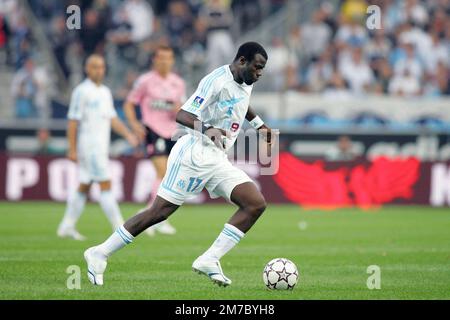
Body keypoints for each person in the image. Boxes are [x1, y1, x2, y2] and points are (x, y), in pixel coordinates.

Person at [84, 42, 273, 287]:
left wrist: (259, 125)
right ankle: (100, 253)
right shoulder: (215, 81)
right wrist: (207, 129)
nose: (259, 74)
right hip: (193, 153)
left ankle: (210, 259)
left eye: (262, 70)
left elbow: (240, 102)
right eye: (257, 68)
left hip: (217, 158)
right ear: (242, 61)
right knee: (159, 213)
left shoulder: (245, 81)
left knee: (255, 204)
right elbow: (183, 115)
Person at [57, 54, 138, 241]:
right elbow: (72, 121)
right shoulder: (81, 91)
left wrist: (128, 135)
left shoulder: (105, 92)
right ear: (87, 68)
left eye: (101, 67)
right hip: (89, 146)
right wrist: (72, 149)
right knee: (105, 183)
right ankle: (120, 228)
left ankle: (66, 226)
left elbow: (112, 119)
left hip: (101, 146)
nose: (98, 70)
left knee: (84, 185)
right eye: (94, 66)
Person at [124, 45, 186, 236]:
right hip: (153, 130)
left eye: (168, 58)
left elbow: (181, 108)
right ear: (155, 60)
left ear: (173, 60)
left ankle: (150, 215)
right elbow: (129, 103)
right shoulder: (145, 81)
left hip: (172, 132)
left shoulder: (178, 83)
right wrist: (134, 124)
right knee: (162, 170)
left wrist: (178, 109)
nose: (164, 61)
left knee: (170, 175)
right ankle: (155, 216)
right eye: (161, 58)